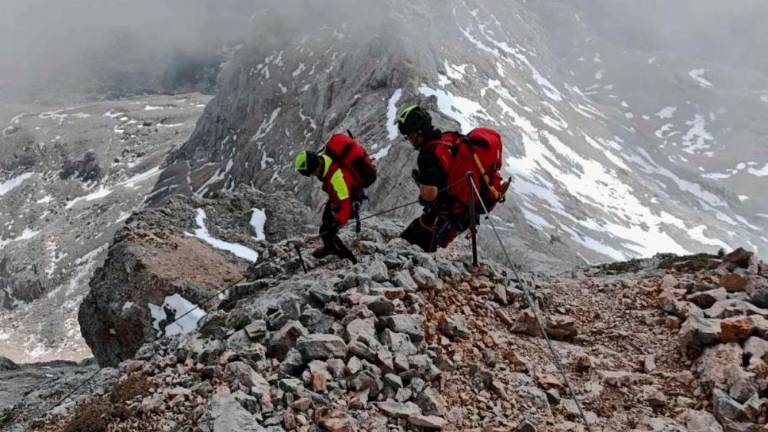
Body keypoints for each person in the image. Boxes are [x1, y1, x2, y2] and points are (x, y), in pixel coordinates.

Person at [395, 105, 474, 252]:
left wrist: (421, 185)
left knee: (405, 248)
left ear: (419, 132)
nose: (409, 139)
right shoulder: (446, 140)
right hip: (465, 210)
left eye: (410, 135)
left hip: (448, 214)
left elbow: (430, 194)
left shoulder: (427, 155)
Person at [294, 149, 359, 263]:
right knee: (325, 227)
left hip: (344, 202)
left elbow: (346, 203)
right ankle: (330, 248)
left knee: (329, 232)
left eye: (310, 173)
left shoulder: (336, 176)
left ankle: (348, 259)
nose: (312, 175)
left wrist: (338, 221)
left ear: (315, 167)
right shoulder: (323, 160)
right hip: (335, 198)